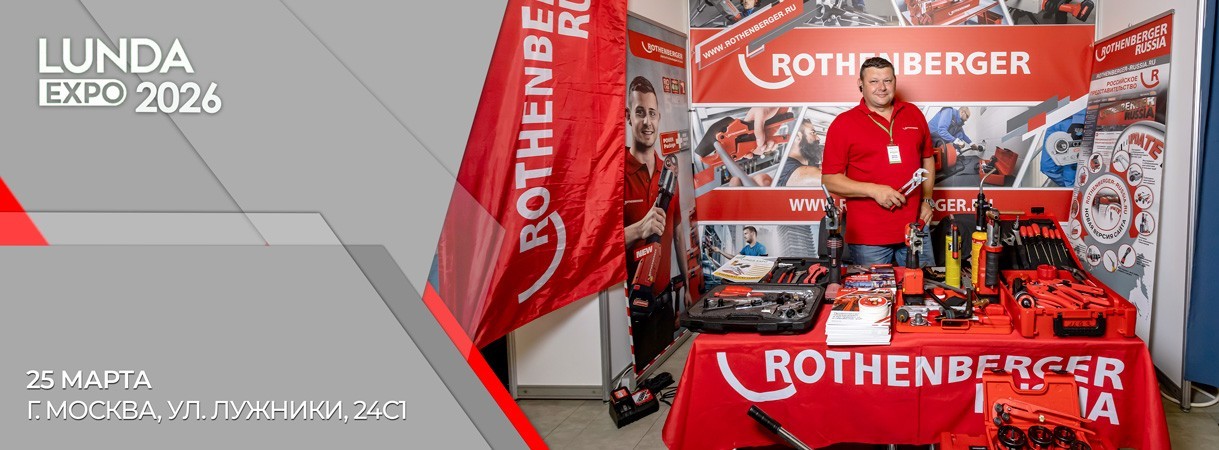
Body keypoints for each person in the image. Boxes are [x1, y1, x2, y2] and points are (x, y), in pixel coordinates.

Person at [821, 57, 935, 267]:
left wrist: (927, 200)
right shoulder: (843, 124)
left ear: (895, 82)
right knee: (873, 289)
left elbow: (927, 158)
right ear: (860, 84)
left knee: (922, 285)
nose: (882, 88)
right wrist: (874, 190)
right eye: (874, 81)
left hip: (916, 229)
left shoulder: (913, 113)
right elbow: (830, 180)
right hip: (869, 239)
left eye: (887, 81)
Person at [776, 119, 824, 186]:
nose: (818, 138)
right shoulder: (787, 169)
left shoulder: (806, 162)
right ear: (797, 136)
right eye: (812, 133)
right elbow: (832, 180)